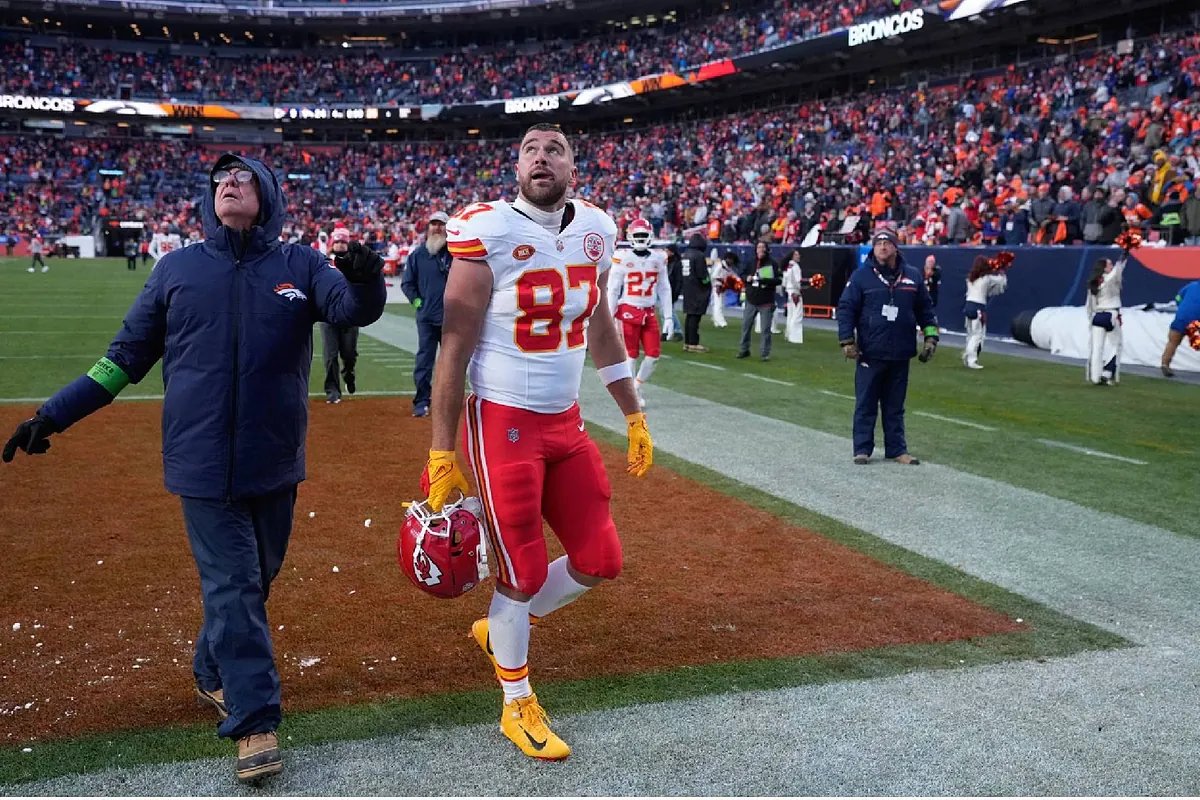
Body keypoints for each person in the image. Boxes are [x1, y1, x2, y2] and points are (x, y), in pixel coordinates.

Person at [2, 153, 386, 782]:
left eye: (242, 178)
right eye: (220, 181)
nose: (229, 184)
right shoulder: (176, 269)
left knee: (255, 580)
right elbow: (124, 357)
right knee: (234, 587)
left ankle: (211, 669)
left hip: (274, 458)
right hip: (201, 461)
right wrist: (54, 414)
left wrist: (367, 282)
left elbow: (350, 310)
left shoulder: (301, 264)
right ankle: (254, 719)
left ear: (268, 194)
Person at [427, 123, 654, 762]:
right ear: (517, 168)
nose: (541, 157)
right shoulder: (489, 229)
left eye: (555, 149)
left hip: (565, 420)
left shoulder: (597, 229)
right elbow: (453, 346)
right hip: (503, 421)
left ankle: (502, 630)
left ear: (573, 169)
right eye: (530, 149)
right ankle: (516, 701)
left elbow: (601, 327)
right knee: (521, 570)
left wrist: (633, 414)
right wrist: (442, 451)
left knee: (600, 558)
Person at [836, 229, 938, 465]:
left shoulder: (912, 276)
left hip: (901, 351)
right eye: (878, 243)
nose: (882, 247)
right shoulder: (861, 276)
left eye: (887, 242)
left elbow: (926, 310)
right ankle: (862, 449)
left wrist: (931, 338)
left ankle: (897, 449)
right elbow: (846, 308)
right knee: (866, 403)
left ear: (895, 247)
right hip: (870, 352)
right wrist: (846, 340)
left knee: (895, 406)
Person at [608, 219, 674, 408]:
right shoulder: (622, 257)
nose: (640, 238)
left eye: (643, 235)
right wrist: (610, 316)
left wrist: (668, 316)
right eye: (637, 235)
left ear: (650, 236)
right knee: (631, 355)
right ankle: (632, 393)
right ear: (630, 237)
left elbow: (664, 288)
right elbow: (613, 290)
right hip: (628, 309)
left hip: (649, 310)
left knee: (653, 355)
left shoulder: (658, 258)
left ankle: (635, 386)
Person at [400, 211, 452, 417]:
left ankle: (448, 401)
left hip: (452, 319)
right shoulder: (418, 255)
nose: (437, 228)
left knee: (452, 363)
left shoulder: (456, 254)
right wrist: (417, 302)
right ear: (428, 228)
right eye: (434, 224)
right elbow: (407, 283)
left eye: (441, 224)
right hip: (427, 318)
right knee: (424, 361)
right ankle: (422, 400)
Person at [319, 227, 362, 404]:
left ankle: (348, 373)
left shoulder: (356, 263)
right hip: (328, 314)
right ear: (332, 243)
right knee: (330, 355)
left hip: (350, 315)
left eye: (343, 242)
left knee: (349, 354)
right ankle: (332, 391)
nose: (340, 245)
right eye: (337, 242)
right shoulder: (323, 263)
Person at [962, 255, 1008, 369]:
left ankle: (968, 358)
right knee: (977, 334)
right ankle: (971, 359)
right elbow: (1000, 281)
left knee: (970, 334)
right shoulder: (986, 278)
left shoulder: (970, 278)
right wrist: (1002, 271)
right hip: (978, 307)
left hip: (968, 306)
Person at [737, 241, 781, 361]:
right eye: (758, 247)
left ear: (766, 249)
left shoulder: (773, 263)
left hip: (766, 300)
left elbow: (778, 280)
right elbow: (741, 273)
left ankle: (764, 353)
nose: (760, 249)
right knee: (746, 326)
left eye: (762, 247)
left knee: (765, 329)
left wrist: (765, 280)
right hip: (751, 299)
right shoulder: (751, 261)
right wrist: (747, 278)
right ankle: (744, 350)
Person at [1085, 256, 1125, 385]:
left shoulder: (1094, 283)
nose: (1112, 266)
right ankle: (1107, 372)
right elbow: (1118, 270)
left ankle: (1095, 377)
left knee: (1097, 348)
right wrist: (1124, 256)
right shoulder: (1110, 280)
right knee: (1116, 345)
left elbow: (1089, 305)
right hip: (1111, 315)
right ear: (1104, 268)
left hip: (1097, 316)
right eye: (1109, 264)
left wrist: (1090, 318)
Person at [1160, 279, 1200, 377]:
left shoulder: (1191, 285)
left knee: (1172, 343)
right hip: (1195, 323)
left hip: (1181, 318)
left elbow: (1178, 297)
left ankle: (1165, 364)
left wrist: (1181, 306)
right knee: (1197, 344)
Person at [680, 233, 712, 352]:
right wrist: (707, 283)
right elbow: (702, 275)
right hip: (697, 289)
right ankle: (693, 343)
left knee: (689, 316)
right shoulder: (699, 256)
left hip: (688, 288)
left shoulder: (686, 254)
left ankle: (687, 342)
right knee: (695, 317)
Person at [781, 248, 810, 344]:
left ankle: (788, 334)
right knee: (797, 314)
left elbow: (784, 281)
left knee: (791, 314)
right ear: (792, 256)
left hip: (789, 291)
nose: (799, 256)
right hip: (795, 292)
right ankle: (795, 337)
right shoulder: (796, 266)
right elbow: (798, 280)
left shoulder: (788, 266)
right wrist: (810, 281)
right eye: (797, 254)